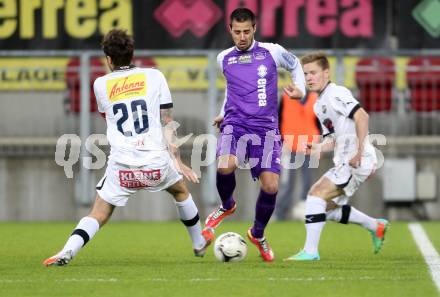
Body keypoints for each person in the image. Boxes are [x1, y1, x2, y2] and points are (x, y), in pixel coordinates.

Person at [43, 29, 211, 266]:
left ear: (108, 59)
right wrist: (178, 160)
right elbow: (167, 121)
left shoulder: (100, 84)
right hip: (155, 161)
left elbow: (108, 115)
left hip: (122, 165)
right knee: (181, 191)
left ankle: (67, 251)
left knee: (99, 213)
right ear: (133, 54)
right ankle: (198, 244)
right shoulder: (154, 77)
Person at [201, 8, 306, 262]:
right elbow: (232, 89)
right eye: (237, 32)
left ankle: (257, 234)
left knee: (271, 185)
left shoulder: (272, 51)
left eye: (246, 31)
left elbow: (296, 64)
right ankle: (227, 206)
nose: (242, 36)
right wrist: (223, 112)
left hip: (266, 127)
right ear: (230, 30)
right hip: (235, 123)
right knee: (225, 165)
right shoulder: (223, 58)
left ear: (254, 29)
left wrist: (300, 90)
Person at [283, 52, 389, 261]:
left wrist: (359, 152)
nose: (309, 78)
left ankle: (310, 251)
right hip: (346, 159)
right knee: (325, 208)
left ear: (326, 72)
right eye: (305, 74)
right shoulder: (318, 104)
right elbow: (334, 137)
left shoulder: (336, 93)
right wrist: (319, 148)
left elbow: (362, 116)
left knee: (314, 195)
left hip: (355, 159)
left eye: (313, 73)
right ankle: (375, 226)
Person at [275, 91, 320, 220]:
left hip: (309, 146)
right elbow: (279, 120)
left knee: (308, 183)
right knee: (288, 183)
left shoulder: (314, 98)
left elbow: (319, 123)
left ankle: (307, 213)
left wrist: (319, 145)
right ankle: (280, 214)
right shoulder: (285, 97)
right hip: (290, 146)